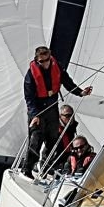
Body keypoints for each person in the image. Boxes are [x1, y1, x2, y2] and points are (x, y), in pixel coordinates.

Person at [21, 46, 91, 174]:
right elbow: (29, 98)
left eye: (47, 60)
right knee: (35, 141)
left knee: (52, 139)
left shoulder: (56, 66)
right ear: (37, 60)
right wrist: (34, 115)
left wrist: (81, 92)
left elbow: (67, 82)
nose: (45, 63)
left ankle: (45, 168)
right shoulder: (30, 74)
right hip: (38, 111)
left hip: (52, 108)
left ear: (50, 57)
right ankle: (27, 169)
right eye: (41, 61)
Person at [37, 105, 82, 178]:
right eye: (67, 116)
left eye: (71, 115)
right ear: (60, 116)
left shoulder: (72, 128)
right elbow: (44, 148)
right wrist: (43, 164)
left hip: (64, 162)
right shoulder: (53, 128)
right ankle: (43, 168)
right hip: (50, 162)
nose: (70, 118)